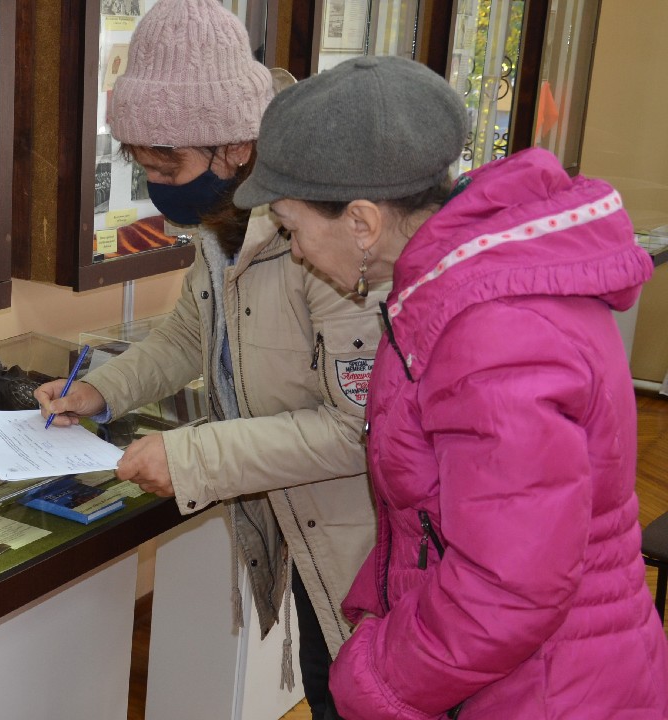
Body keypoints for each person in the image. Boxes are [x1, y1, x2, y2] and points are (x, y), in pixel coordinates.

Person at [234, 55, 668, 718]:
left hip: (547, 692)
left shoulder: (492, 333)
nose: (294, 251)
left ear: (361, 222)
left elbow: (508, 585)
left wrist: (372, 680)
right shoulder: (463, 291)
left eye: (293, 229)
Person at [34, 2, 383, 716]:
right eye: (141, 162)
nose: (157, 184)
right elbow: (193, 334)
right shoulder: (226, 212)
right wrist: (96, 392)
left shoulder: (324, 224)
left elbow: (359, 429)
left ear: (234, 144)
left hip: (366, 548)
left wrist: (192, 457)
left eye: (168, 163)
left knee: (355, 695)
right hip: (308, 522)